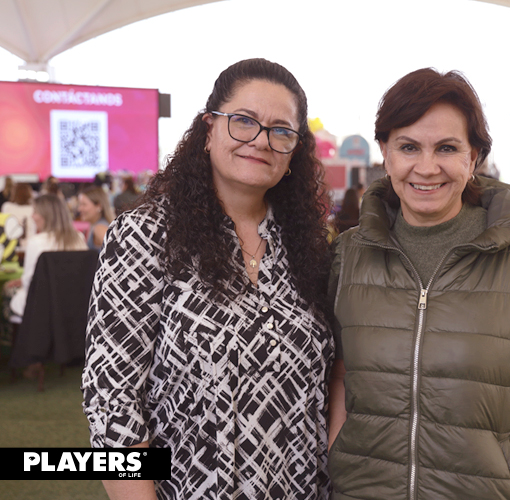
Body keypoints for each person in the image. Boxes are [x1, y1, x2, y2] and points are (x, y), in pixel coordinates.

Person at [327, 68, 510, 500]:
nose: (427, 167)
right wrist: (338, 453)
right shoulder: (349, 254)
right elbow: (341, 374)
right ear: (386, 153)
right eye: (409, 147)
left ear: (474, 158)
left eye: (447, 148)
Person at [82, 58, 333, 500]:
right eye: (243, 121)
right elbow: (112, 401)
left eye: (281, 130)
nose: (261, 140)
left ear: (295, 151)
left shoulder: (309, 247)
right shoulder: (147, 235)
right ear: (208, 129)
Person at [5, 194, 87, 318]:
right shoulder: (79, 238)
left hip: (39, 306)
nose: (32, 216)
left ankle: (12, 336)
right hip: (73, 304)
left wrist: (22, 281)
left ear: (46, 215)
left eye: (35, 212)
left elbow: (30, 283)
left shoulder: (36, 242)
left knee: (7, 291)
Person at [77, 185, 114, 251]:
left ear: (98, 206)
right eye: (80, 204)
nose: (79, 209)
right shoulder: (95, 226)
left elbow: (115, 252)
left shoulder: (99, 228)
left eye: (84, 204)